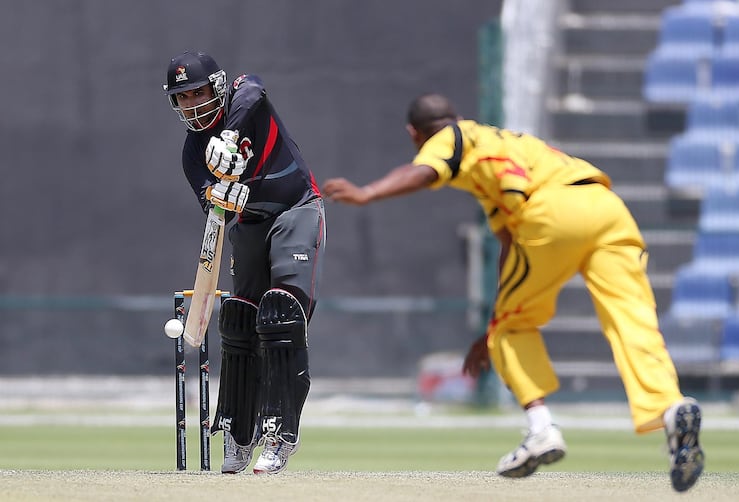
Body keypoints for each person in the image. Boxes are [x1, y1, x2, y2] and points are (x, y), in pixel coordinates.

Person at [322, 93, 704, 492]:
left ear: (413, 133)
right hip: (607, 207)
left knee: (510, 329)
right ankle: (671, 408)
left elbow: (424, 173)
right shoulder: (504, 142)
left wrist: (368, 193)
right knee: (633, 323)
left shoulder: (450, 137)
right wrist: (496, 318)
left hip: (553, 211)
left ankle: (541, 429)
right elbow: (508, 242)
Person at [163, 51, 326, 475]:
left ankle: (279, 434)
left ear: (217, 86)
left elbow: (253, 88)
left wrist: (229, 138)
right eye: (182, 97)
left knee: (281, 313)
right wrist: (222, 195)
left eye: (198, 92)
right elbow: (216, 212)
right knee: (239, 320)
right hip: (250, 225)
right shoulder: (191, 153)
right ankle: (238, 435)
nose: (192, 103)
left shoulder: (244, 97)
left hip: (296, 208)